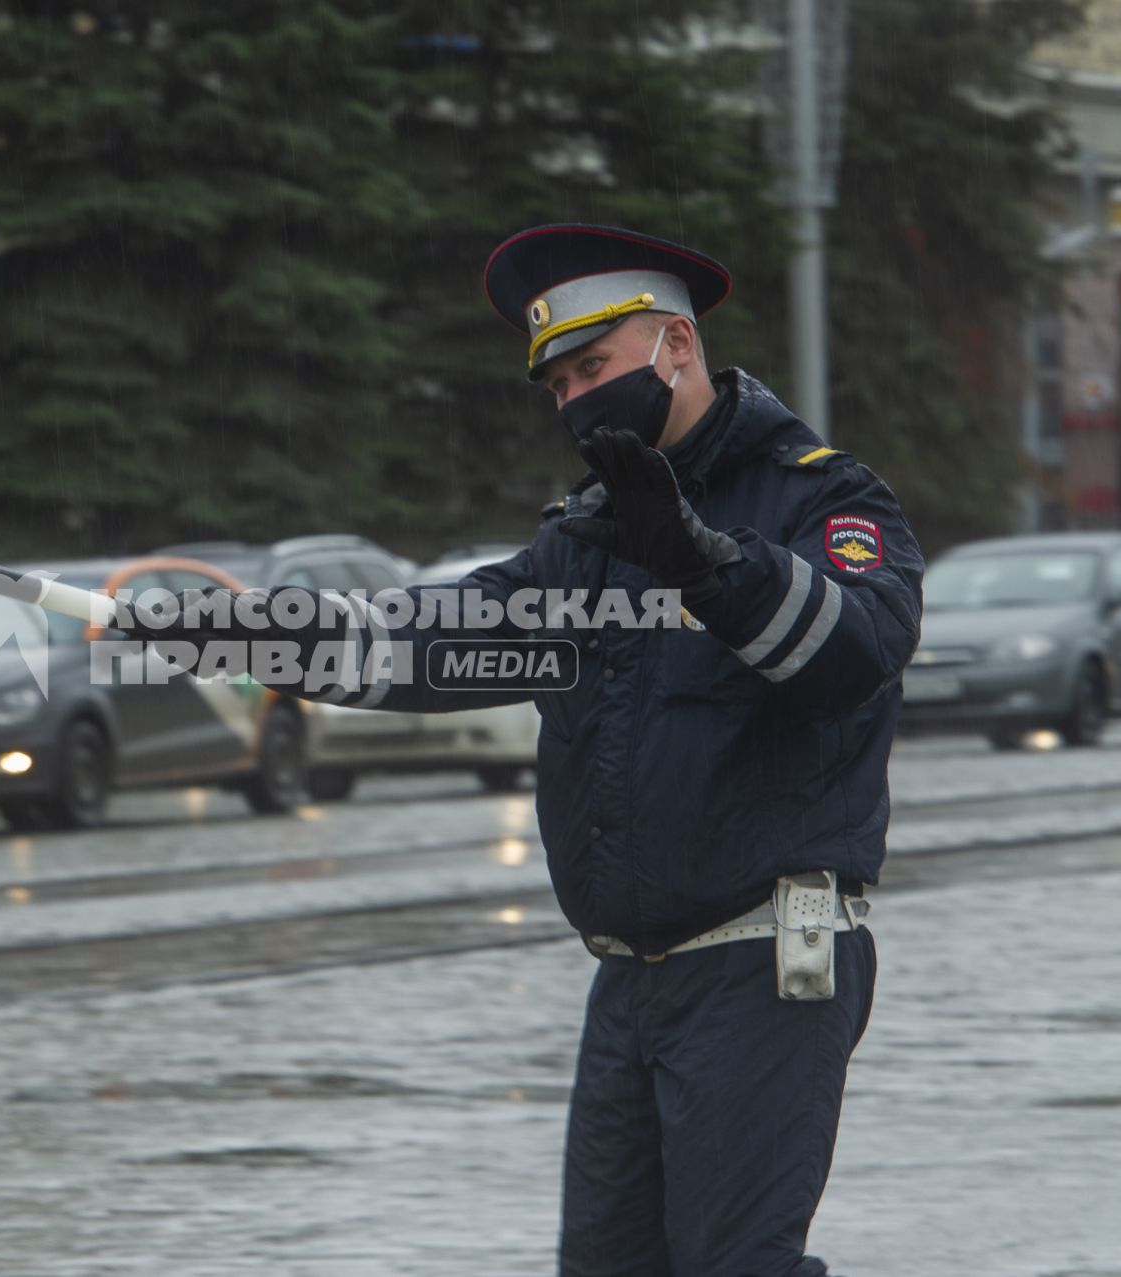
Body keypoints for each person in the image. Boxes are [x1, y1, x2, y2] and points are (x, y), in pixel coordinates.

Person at [130, 224, 924, 1275]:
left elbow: (855, 654)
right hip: (629, 977)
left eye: (593, 367)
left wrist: (704, 565)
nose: (574, 399)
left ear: (676, 345)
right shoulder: (588, 536)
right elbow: (435, 638)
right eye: (556, 384)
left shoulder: (823, 496)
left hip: (768, 958)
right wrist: (262, 634)